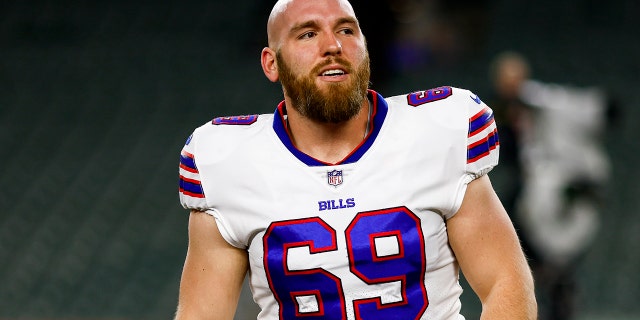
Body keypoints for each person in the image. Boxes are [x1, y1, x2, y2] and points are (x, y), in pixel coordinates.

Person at [174, 1, 537, 319]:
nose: (332, 46)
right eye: (307, 34)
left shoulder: (437, 132)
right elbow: (201, 314)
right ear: (272, 63)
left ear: (365, 48)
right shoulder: (227, 161)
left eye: (346, 30)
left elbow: (506, 282)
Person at [488, 51, 611, 320]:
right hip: (531, 188)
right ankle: (548, 289)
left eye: (513, 78)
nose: (508, 84)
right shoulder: (501, 111)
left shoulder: (541, 102)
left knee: (549, 260)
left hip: (560, 187)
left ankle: (555, 289)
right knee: (521, 250)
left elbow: (591, 108)